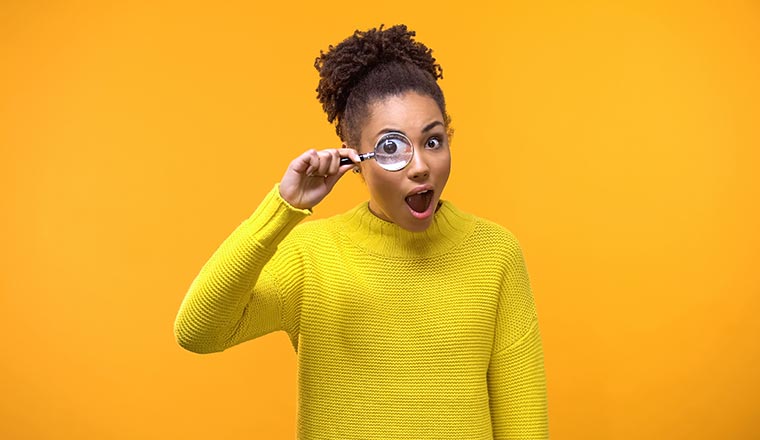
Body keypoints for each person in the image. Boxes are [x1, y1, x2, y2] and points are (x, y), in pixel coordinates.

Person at [174, 24, 548, 439]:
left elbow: (523, 421)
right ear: (356, 159)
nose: (420, 165)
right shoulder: (311, 254)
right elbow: (198, 332)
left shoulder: (494, 253)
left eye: (434, 141)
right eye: (391, 147)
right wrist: (283, 209)